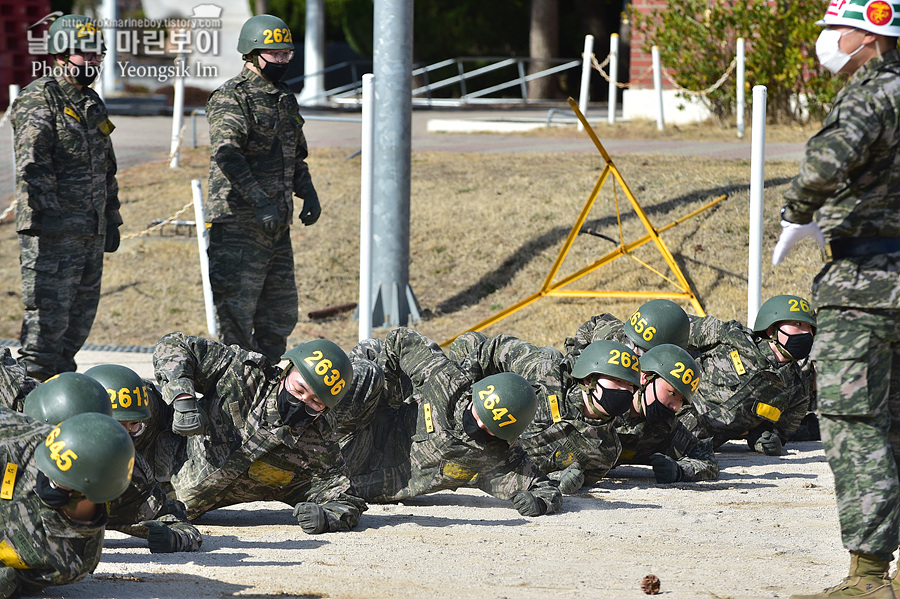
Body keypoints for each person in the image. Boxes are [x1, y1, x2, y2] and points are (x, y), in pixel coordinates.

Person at [772, 2, 900, 597]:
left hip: (867, 287)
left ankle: (869, 576)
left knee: (856, 423)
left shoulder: (873, 93)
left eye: (834, 29)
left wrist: (797, 212)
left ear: (868, 35)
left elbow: (827, 161)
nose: (826, 41)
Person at [153, 333, 380, 534]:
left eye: (315, 403)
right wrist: (183, 399)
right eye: (298, 389)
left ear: (325, 411)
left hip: (175, 512)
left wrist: (326, 518)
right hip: (151, 456)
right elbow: (175, 345)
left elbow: (345, 500)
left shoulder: (316, 446)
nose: (301, 402)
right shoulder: (243, 375)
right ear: (286, 372)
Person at [341, 327, 562, 517]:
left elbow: (544, 488)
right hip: (355, 438)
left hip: (363, 488)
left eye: (491, 429)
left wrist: (539, 504)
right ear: (479, 393)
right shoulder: (446, 381)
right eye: (480, 414)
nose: (480, 426)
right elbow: (400, 339)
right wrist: (387, 400)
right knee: (368, 363)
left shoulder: (497, 456)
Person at [11, 14, 121, 381]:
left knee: (77, 324)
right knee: (45, 327)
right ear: (60, 54)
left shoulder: (91, 102)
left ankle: (63, 395)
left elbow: (107, 168)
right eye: (84, 54)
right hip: (52, 234)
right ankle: (27, 405)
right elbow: (31, 165)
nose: (92, 62)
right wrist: (51, 216)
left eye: (97, 55)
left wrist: (112, 218)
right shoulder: (39, 99)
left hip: (89, 231)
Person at [205, 13, 321, 363]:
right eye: (276, 54)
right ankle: (234, 390)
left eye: (287, 54)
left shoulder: (283, 97)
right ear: (252, 54)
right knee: (237, 318)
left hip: (276, 227)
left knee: (280, 313)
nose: (283, 61)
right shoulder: (231, 98)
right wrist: (259, 202)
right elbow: (228, 156)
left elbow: (293, 155)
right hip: (239, 226)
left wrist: (308, 190)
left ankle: (267, 381)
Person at [449, 332, 640, 493]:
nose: (624, 390)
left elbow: (581, 479)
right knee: (469, 341)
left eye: (630, 385)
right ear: (589, 379)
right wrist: (464, 395)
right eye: (617, 381)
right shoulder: (547, 374)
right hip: (473, 419)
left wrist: (558, 480)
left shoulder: (606, 451)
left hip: (494, 465)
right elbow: (497, 347)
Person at [0, 410, 134, 598]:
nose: (44, 473)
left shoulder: (69, 560)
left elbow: (13, 580)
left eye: (57, 478)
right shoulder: (49, 444)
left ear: (85, 492)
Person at [84, 364, 202, 553]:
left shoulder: (132, 476)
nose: (127, 436)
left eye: (134, 426)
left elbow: (181, 526)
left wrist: (174, 539)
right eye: (118, 425)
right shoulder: (40, 454)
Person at [680, 294, 817, 456]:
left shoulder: (797, 391)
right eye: (798, 324)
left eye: (810, 328)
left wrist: (763, 439)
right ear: (771, 330)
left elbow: (779, 431)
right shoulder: (731, 337)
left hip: (694, 448)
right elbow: (674, 326)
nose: (806, 333)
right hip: (661, 419)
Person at [613, 344, 719, 484]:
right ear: (645, 378)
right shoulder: (604, 407)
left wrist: (680, 471)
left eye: (681, 400)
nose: (675, 406)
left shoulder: (667, 427)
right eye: (672, 393)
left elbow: (708, 461)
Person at [564, 298, 691, 357]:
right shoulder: (610, 331)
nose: (634, 352)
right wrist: (580, 356)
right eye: (630, 343)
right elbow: (592, 327)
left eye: (643, 351)